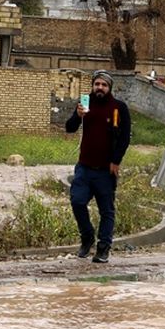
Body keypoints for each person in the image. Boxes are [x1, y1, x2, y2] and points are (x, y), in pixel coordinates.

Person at [65, 70, 131, 263]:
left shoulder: (119, 108)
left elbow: (125, 138)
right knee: (77, 202)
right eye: (97, 84)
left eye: (103, 85)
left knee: (106, 211)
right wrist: (77, 116)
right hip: (84, 168)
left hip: (106, 170)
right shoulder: (85, 104)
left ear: (109, 88)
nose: (99, 88)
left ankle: (103, 248)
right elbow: (69, 128)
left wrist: (116, 161)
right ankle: (87, 237)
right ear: (92, 86)